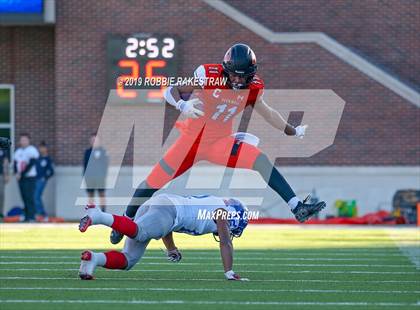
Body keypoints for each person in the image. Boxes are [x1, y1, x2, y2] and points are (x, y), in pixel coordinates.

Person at [110, 43, 326, 244]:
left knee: (259, 160)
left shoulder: (254, 87)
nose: (238, 81)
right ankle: (123, 222)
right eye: (234, 75)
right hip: (190, 143)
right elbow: (171, 89)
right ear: (225, 70)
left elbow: (268, 112)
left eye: (244, 77)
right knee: (152, 183)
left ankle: (297, 206)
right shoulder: (208, 74)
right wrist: (181, 104)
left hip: (219, 143)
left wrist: (292, 130)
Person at [79, 193, 249, 281]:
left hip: (165, 207)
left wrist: (171, 248)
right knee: (141, 232)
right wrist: (229, 271)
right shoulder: (221, 212)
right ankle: (99, 216)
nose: (231, 229)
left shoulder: (215, 206)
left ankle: (92, 259)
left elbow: (168, 225)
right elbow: (226, 242)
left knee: (129, 259)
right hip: (168, 208)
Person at [14, 133, 39, 222]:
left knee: (29, 197)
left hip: (30, 178)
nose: (23, 141)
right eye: (22, 140)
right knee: (24, 197)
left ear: (29, 140)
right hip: (21, 178)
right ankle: (27, 217)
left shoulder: (32, 150)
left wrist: (21, 174)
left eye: (25, 140)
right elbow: (15, 164)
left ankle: (32, 216)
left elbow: (31, 164)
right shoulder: (18, 152)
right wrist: (16, 173)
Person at [83, 133, 108, 212]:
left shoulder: (103, 151)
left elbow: (105, 164)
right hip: (90, 177)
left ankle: (103, 212)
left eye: (95, 140)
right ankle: (91, 212)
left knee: (102, 194)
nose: (94, 141)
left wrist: (103, 175)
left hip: (100, 177)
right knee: (90, 195)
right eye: (92, 140)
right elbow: (85, 164)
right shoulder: (87, 152)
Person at [34, 141, 54, 221]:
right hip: (35, 179)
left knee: (36, 196)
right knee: (35, 196)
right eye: (40, 148)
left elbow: (51, 171)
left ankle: (42, 214)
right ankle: (38, 213)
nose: (41, 149)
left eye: (43, 147)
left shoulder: (48, 159)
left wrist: (45, 177)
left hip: (42, 180)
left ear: (46, 148)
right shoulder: (38, 158)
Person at [0, 144, 10, 218]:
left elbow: (6, 162)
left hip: (0, 175)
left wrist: (6, 174)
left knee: (1, 195)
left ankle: (0, 213)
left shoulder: (3, 150)